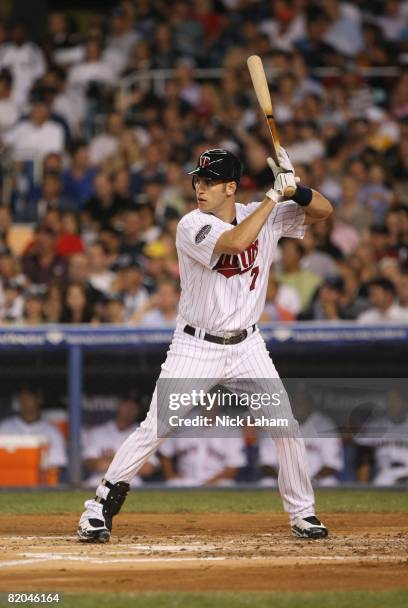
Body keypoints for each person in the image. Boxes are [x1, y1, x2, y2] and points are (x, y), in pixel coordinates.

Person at [77, 146, 333, 543]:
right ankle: (96, 509)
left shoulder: (259, 212)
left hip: (247, 345)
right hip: (196, 345)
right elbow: (233, 243)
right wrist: (272, 195)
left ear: (230, 187)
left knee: (286, 426)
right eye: (199, 179)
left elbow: (323, 212)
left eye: (211, 181)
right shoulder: (191, 224)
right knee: (156, 426)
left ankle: (303, 513)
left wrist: (295, 188)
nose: (201, 186)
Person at [82, 395, 157, 487]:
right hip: (98, 480)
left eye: (134, 407)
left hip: (132, 482)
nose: (129, 410)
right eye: (126, 405)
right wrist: (130, 462)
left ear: (139, 410)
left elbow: (147, 469)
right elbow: (93, 464)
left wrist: (110, 459)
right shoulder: (98, 432)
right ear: (119, 406)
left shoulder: (145, 434)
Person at [0, 386, 67, 481]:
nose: (24, 401)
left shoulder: (52, 431)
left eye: (28, 397)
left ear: (39, 399)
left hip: (38, 484)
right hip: (7, 481)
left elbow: (56, 466)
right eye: (22, 398)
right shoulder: (4, 427)